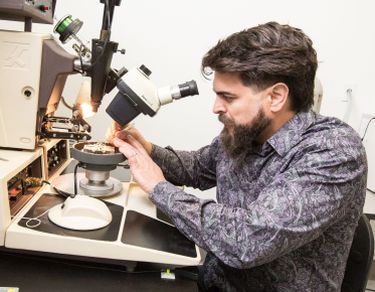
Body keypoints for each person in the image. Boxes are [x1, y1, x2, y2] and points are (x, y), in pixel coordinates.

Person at [111, 22, 367, 291]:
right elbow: (197, 168)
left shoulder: (334, 152)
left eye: (228, 97)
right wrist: (146, 149)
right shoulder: (246, 132)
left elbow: (247, 240)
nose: (215, 107)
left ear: (276, 97)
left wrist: (158, 188)